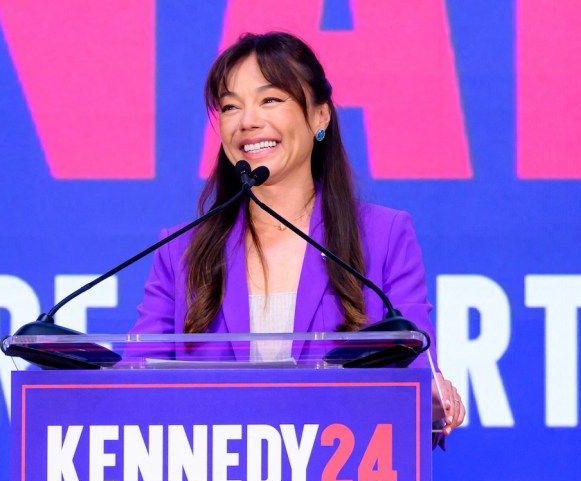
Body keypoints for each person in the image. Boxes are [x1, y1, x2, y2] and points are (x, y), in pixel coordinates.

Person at [129, 31, 465, 440]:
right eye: (231, 106)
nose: (247, 120)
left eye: (270, 99)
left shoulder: (383, 237)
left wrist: (428, 400)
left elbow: (413, 365)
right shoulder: (180, 252)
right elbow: (134, 385)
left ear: (320, 116)